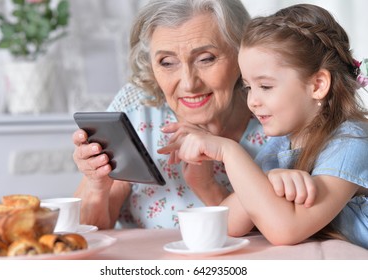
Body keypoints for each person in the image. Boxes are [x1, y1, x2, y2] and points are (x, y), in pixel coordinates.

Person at [158, 3, 368, 249]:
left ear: (318, 84)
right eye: (248, 87)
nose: (252, 101)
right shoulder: (280, 145)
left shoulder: (351, 141)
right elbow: (232, 224)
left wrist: (228, 151)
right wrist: (267, 179)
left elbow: (286, 230)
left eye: (265, 87)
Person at [72, 0, 269, 230]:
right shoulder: (138, 111)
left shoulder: (272, 116)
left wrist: (207, 185)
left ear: (241, 54)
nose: (188, 83)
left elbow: (281, 232)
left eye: (206, 58)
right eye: (167, 62)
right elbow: (90, 233)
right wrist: (97, 185)